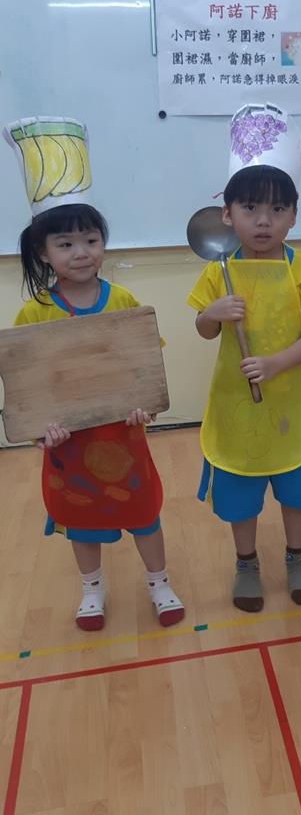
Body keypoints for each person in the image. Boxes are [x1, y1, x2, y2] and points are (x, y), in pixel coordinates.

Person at [4, 116, 185, 631]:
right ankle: (91, 589)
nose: (81, 252)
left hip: (122, 434)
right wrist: (42, 430)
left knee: (143, 512)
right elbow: (28, 383)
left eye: (90, 239)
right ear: (43, 253)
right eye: (65, 244)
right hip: (69, 443)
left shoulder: (123, 301)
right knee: (80, 518)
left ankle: (159, 582)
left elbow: (144, 366)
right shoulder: (35, 313)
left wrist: (145, 407)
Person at [187, 104, 301, 613]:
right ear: (228, 214)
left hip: (290, 403)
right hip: (235, 404)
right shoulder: (219, 269)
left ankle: (297, 557)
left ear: (294, 214)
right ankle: (246, 563)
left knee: (296, 489)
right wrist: (212, 313)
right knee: (241, 492)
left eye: (277, 209)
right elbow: (204, 330)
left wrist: (275, 364)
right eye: (250, 208)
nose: (264, 220)